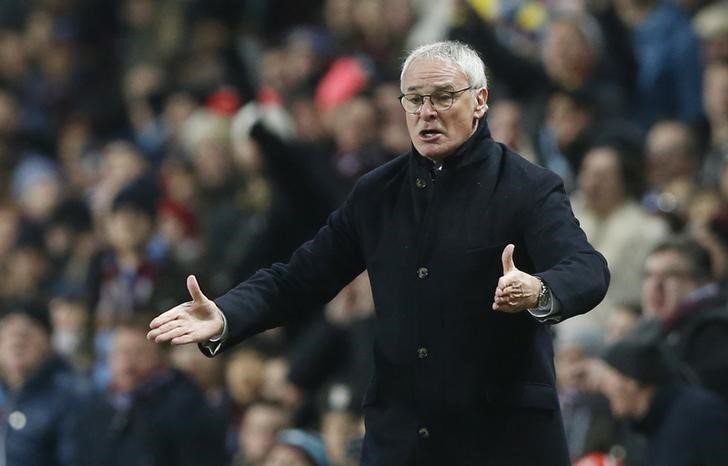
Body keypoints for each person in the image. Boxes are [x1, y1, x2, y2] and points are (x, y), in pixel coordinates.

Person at [148, 41, 609, 466]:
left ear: (481, 101)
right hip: (401, 443)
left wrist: (540, 289)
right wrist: (226, 314)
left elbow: (586, 268)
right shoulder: (375, 194)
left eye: (444, 96)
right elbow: (300, 277)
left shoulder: (528, 187)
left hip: (501, 443)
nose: (427, 112)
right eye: (414, 99)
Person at [597, 325, 728, 466]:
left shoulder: (702, 414)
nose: (602, 389)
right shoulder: (640, 428)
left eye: (606, 381)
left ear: (631, 382)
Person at [0, 302, 85, 466]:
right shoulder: (6, 393)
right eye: (9, 333)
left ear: (48, 341)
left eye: (26, 335)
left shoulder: (71, 396)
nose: (16, 341)